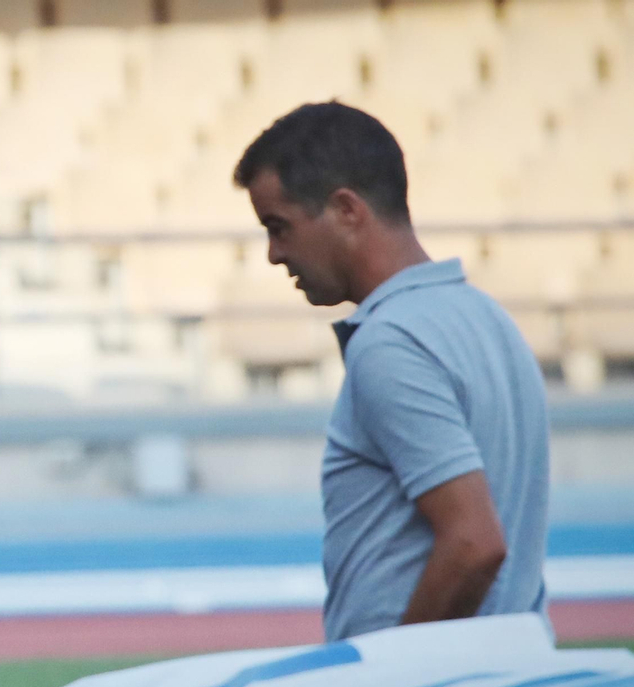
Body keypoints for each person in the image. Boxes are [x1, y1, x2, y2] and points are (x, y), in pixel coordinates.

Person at [232, 101, 549, 640]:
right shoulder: (486, 317)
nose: (273, 254)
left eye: (279, 227)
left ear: (347, 210)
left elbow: (474, 545)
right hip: (500, 679)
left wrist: (388, 676)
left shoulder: (391, 342)